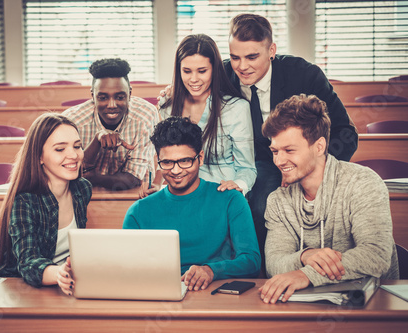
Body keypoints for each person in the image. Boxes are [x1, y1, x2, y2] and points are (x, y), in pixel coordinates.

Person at [224, 13, 359, 266]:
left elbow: (345, 132)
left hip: (297, 160)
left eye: (252, 56)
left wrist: (315, 169)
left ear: (271, 50)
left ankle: (267, 273)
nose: (242, 66)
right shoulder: (222, 76)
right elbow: (191, 84)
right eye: (235, 57)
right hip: (248, 162)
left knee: (263, 202)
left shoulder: (304, 75)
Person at [258, 94, 399, 304]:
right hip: (309, 306)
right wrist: (305, 256)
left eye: (289, 150)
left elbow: (375, 255)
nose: (279, 160)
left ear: (319, 146)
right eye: (275, 151)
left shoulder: (362, 182)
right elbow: (274, 262)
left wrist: (306, 274)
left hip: (374, 303)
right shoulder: (278, 200)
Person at [123, 117, 260, 291]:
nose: (176, 170)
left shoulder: (231, 200)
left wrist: (212, 270)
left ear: (200, 158)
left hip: (214, 295)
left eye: (185, 161)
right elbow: (128, 268)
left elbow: (251, 261)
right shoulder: (139, 212)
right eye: (167, 162)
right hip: (159, 295)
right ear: (158, 160)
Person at [0, 113, 92, 296]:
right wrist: (60, 273)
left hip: (66, 285)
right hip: (23, 289)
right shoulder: (24, 201)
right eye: (60, 149)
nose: (73, 155)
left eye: (77, 146)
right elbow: (28, 262)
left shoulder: (82, 189)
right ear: (39, 156)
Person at [154, 34, 256, 197]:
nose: (194, 79)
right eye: (187, 71)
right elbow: (163, 158)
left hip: (221, 191)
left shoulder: (237, 108)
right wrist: (156, 183)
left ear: (214, 70)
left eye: (202, 71)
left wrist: (238, 186)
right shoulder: (167, 106)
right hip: (180, 191)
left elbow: (247, 167)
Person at [63, 58, 159, 191]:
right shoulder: (71, 120)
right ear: (93, 96)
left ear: (130, 94)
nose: (112, 105)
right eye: (103, 98)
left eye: (120, 97)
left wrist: (92, 177)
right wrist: (97, 140)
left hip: (133, 195)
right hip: (81, 195)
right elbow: (67, 173)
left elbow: (134, 177)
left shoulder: (145, 115)